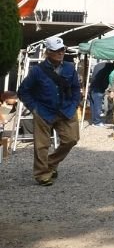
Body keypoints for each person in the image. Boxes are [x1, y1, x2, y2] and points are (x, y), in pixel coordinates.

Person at [17, 36, 80, 186]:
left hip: (66, 110)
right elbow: (23, 91)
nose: (60, 52)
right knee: (41, 145)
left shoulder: (70, 68)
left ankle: (50, 164)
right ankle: (42, 174)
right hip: (44, 111)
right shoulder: (37, 71)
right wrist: (34, 108)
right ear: (48, 52)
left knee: (72, 139)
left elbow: (76, 88)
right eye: (56, 50)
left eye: (62, 49)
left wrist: (74, 104)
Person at [88, 59, 114, 126]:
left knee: (93, 106)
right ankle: (97, 122)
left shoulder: (98, 65)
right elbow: (109, 78)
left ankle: (94, 121)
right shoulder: (110, 67)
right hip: (99, 88)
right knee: (98, 106)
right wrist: (105, 87)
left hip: (92, 87)